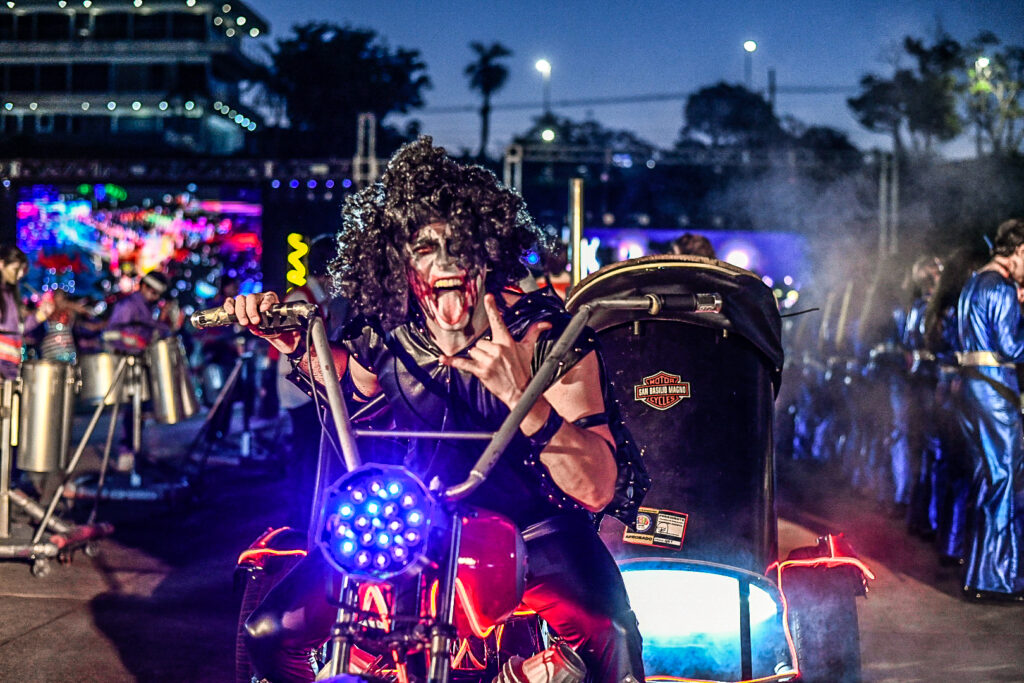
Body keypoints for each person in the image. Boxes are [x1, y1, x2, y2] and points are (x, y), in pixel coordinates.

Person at [227, 137, 647, 683]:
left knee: (611, 630)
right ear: (399, 263)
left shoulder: (545, 335)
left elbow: (596, 487)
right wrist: (292, 342)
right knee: (271, 631)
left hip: (532, 527)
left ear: (489, 255)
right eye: (425, 248)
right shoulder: (388, 331)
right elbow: (348, 391)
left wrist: (526, 397)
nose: (445, 260)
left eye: (461, 246)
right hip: (413, 521)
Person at [956, 218, 1024, 601]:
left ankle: (979, 573)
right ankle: (998, 580)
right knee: (1003, 479)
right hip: (996, 392)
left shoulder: (971, 284)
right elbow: (1012, 346)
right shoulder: (998, 286)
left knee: (986, 478)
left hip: (972, 388)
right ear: (1020, 250)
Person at [275, 234, 343, 529]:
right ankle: (299, 521)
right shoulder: (300, 299)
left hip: (311, 388)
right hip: (300, 391)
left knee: (313, 455)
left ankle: (307, 517)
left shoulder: (321, 299)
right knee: (305, 456)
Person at [0, 246, 52, 380]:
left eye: (21, 271)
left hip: (12, 364)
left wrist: (40, 316)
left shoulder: (11, 295)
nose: (19, 275)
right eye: (15, 269)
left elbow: (17, 328)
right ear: (1, 264)